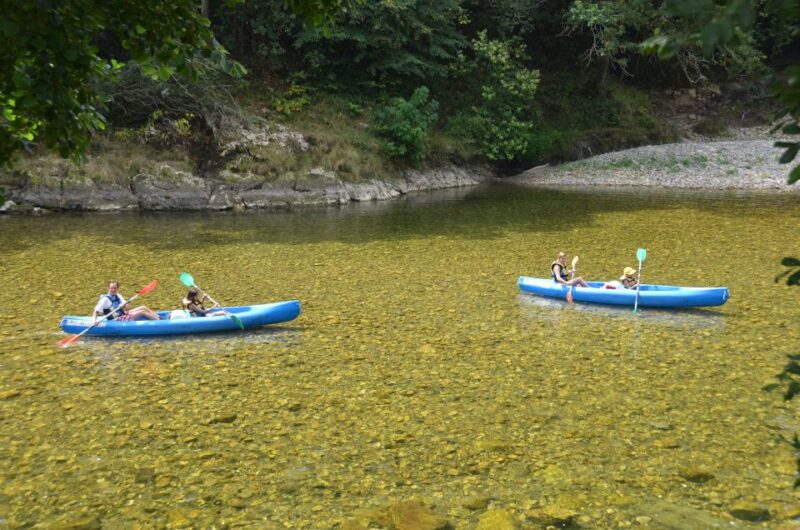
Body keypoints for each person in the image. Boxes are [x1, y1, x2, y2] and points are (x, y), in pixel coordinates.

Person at [92, 280, 160, 322]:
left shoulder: (118, 295)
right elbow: (96, 311)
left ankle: (160, 318)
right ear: (108, 288)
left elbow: (128, 308)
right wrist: (94, 321)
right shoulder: (104, 299)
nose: (113, 290)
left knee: (143, 307)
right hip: (116, 320)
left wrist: (124, 306)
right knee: (142, 312)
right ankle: (160, 322)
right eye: (111, 288)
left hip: (123, 314)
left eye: (115, 288)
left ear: (117, 288)